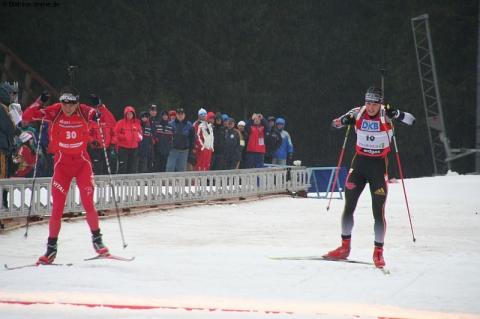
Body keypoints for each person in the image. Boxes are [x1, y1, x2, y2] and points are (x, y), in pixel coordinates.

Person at [324, 86, 416, 268]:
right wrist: (344, 120)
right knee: (348, 205)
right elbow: (334, 124)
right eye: (368, 103)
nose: (371, 107)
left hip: (378, 168)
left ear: (380, 103)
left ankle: (378, 252)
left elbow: (411, 120)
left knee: (378, 211)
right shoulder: (358, 112)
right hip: (358, 167)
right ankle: (344, 247)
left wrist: (396, 113)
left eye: (374, 103)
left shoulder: (386, 114)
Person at [22, 87, 110, 264]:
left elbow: (106, 121)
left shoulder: (84, 111)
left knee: (88, 202)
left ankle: (97, 239)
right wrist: (40, 100)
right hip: (62, 167)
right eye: (64, 103)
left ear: (77, 103)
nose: (67, 108)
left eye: (71, 104)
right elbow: (27, 116)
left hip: (82, 165)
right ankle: (51, 249)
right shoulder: (54, 111)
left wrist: (100, 107)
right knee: (57, 208)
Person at [87, 94, 117, 175]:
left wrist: (112, 143)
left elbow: (114, 132)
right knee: (97, 167)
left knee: (107, 167)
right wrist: (92, 141)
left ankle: (107, 185)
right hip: (96, 148)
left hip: (107, 147)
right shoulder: (92, 120)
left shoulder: (108, 117)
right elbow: (87, 133)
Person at [0, 82, 18, 208]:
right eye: (11, 94)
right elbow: (9, 127)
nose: (12, 97)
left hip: (5, 146)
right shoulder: (2, 108)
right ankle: (3, 206)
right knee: (3, 176)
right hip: (2, 148)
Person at [114, 106, 142, 174]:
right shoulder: (120, 123)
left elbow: (140, 137)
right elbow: (115, 134)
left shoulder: (137, 123)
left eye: (131, 114)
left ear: (133, 114)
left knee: (132, 167)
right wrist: (125, 137)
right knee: (122, 166)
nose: (129, 115)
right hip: (123, 148)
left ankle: (131, 184)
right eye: (128, 113)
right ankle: (121, 182)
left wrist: (135, 135)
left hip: (134, 148)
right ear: (125, 114)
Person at [165, 108, 195, 172]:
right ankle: (169, 182)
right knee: (170, 167)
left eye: (182, 114)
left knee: (181, 169)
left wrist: (192, 149)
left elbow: (192, 138)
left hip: (184, 151)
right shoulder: (170, 124)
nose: (180, 115)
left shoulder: (189, 125)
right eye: (179, 114)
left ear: (184, 115)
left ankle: (180, 182)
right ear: (176, 115)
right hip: (173, 150)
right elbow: (167, 137)